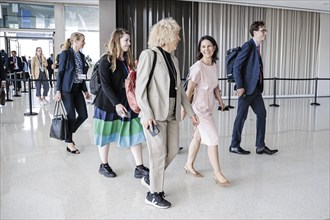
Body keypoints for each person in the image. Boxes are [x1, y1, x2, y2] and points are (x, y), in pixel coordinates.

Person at [135, 17, 199, 209]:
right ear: (167, 36)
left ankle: (151, 177)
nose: (179, 39)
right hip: (153, 114)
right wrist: (146, 114)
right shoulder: (149, 55)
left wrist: (190, 110)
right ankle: (154, 193)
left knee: (171, 152)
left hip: (171, 113)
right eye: (177, 35)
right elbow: (140, 88)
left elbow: (179, 88)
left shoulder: (173, 59)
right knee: (157, 153)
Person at [93, 28, 149, 179]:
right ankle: (104, 165)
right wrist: (116, 104)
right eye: (126, 40)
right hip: (107, 104)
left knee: (135, 133)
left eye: (129, 40)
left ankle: (139, 167)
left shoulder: (127, 61)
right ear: (117, 41)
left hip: (126, 104)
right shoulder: (106, 60)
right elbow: (106, 85)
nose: (129, 43)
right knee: (105, 135)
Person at [182, 35, 230, 186]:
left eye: (209, 46)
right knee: (213, 138)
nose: (206, 49)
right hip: (199, 109)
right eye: (203, 47)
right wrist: (187, 111)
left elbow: (215, 85)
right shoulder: (197, 67)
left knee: (197, 137)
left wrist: (220, 100)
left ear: (214, 47)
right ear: (200, 49)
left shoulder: (214, 65)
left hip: (209, 107)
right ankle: (217, 173)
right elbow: (189, 91)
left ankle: (188, 165)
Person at [229, 21, 278, 155]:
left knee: (262, 114)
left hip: (256, 90)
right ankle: (234, 145)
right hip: (246, 89)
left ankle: (260, 145)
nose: (265, 33)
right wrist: (239, 86)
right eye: (263, 31)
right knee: (241, 116)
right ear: (255, 32)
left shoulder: (257, 47)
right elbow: (236, 66)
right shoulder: (248, 46)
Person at [55, 32, 91, 154]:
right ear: (75, 41)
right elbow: (60, 73)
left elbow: (81, 75)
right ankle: (69, 142)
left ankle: (67, 134)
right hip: (67, 90)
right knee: (71, 115)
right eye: (82, 40)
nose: (84, 43)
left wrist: (85, 90)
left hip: (77, 89)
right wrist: (58, 90)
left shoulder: (81, 56)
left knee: (83, 115)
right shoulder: (65, 54)